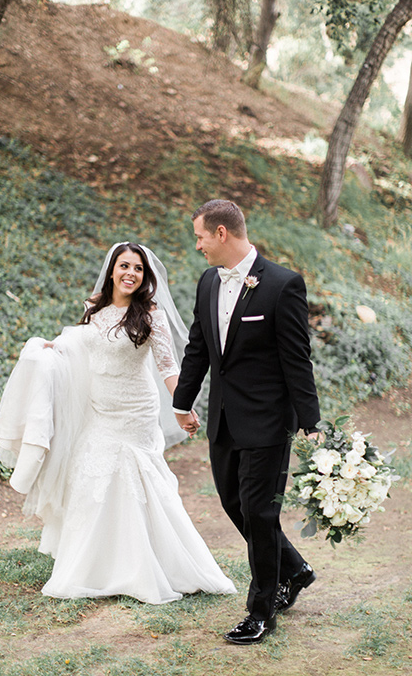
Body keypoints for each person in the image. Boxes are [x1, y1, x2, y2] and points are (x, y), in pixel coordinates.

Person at [0, 242, 236, 604]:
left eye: (138, 269)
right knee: (91, 477)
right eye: (124, 266)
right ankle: (93, 567)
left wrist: (181, 407)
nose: (130, 274)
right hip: (99, 409)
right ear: (111, 270)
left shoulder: (150, 315)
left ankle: (150, 565)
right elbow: (80, 345)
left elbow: (169, 366)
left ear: (144, 277)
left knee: (133, 479)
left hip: (135, 411)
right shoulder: (94, 308)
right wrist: (53, 349)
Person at [173, 200, 321, 644]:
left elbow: (297, 359)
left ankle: (261, 611)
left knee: (259, 511)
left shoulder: (282, 285)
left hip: (269, 421)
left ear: (222, 234)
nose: (196, 244)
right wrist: (183, 401)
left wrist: (311, 421)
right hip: (223, 418)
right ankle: (294, 569)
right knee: (235, 505)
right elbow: (199, 346)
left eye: (200, 236)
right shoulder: (207, 282)